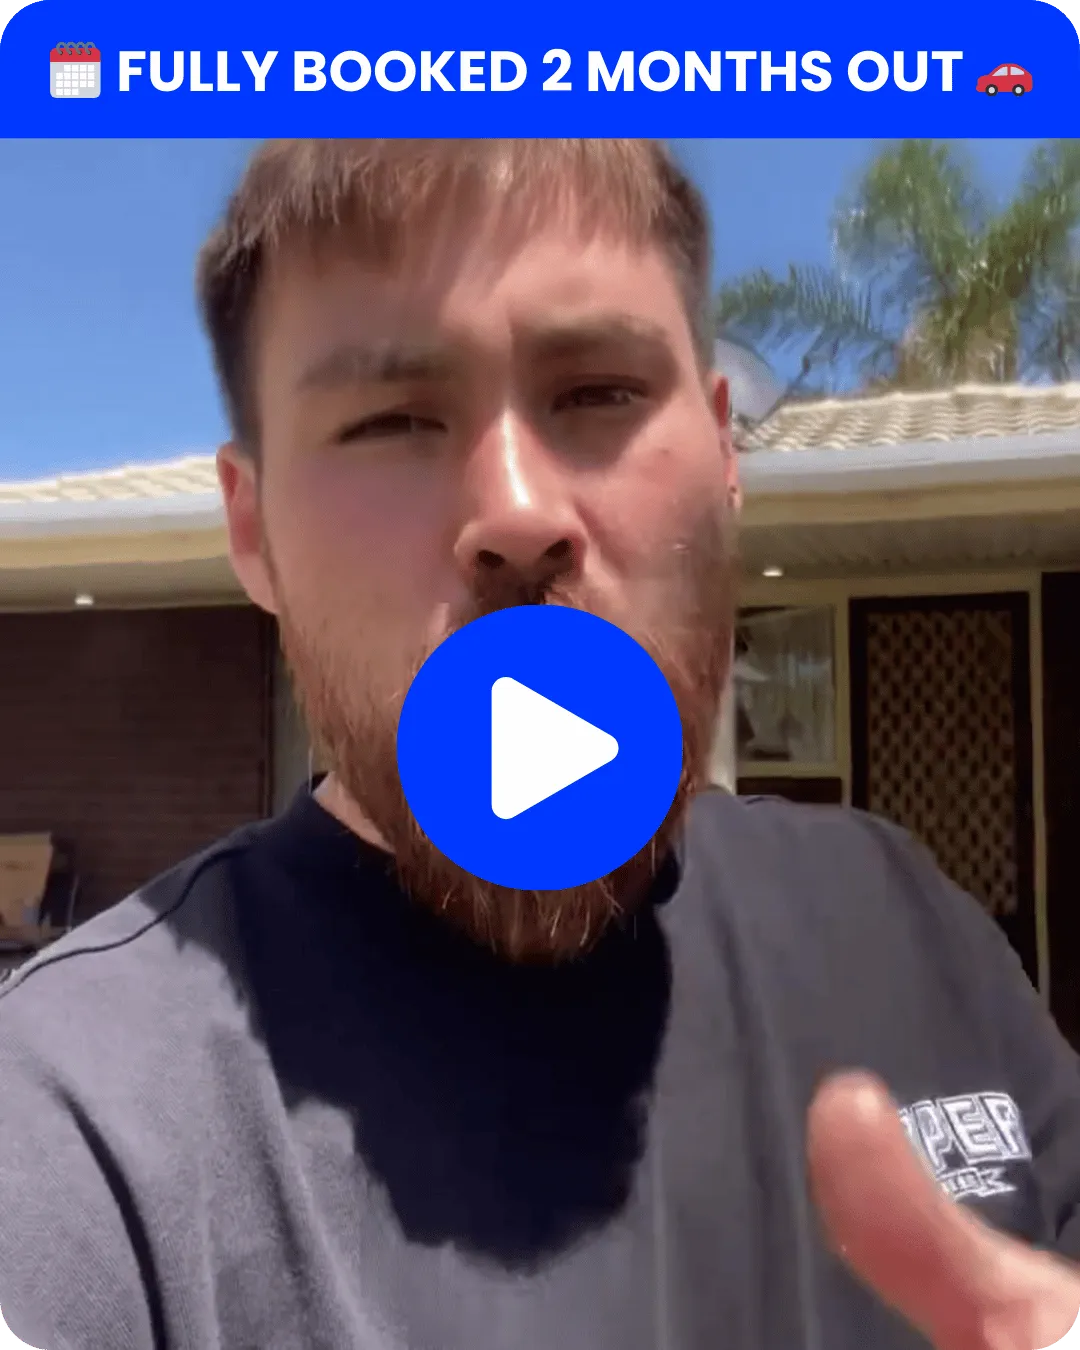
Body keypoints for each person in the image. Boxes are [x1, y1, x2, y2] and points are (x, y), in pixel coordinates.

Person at [0, 138, 1077, 1350]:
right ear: (254, 535)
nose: (516, 511)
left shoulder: (904, 922)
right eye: (393, 418)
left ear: (725, 457)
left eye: (600, 393)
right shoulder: (73, 1113)